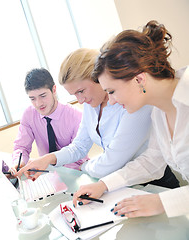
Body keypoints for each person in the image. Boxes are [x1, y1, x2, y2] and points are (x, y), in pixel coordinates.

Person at [72, 20, 188, 218]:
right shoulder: (158, 111)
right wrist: (103, 185)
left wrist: (163, 202)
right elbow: (152, 160)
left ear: (139, 79)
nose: (113, 101)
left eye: (112, 91)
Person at [17, 48, 179, 187]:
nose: (79, 100)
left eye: (81, 91)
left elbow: (114, 160)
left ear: (98, 78)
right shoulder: (90, 105)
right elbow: (79, 146)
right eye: (74, 95)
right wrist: (48, 159)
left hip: (152, 183)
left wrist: (84, 167)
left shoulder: (131, 103)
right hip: (118, 183)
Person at [8, 68, 89, 173]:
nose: (38, 103)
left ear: (54, 90)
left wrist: (49, 168)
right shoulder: (29, 115)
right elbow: (21, 147)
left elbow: (78, 157)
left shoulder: (76, 116)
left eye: (43, 96)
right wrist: (18, 164)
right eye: (33, 99)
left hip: (75, 172)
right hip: (46, 172)